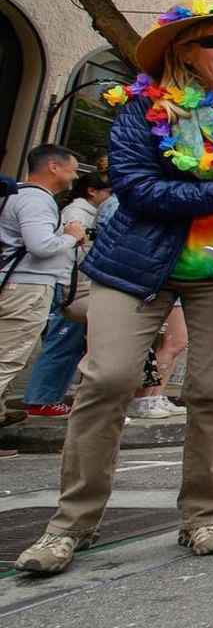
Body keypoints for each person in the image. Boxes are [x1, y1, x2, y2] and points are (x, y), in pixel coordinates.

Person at [14, 0, 213, 574]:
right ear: (182, 54)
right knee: (105, 380)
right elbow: (136, 190)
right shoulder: (141, 112)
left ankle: (205, 516)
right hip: (136, 265)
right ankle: (71, 526)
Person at [0, 145, 87, 426]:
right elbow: (41, 245)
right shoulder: (37, 200)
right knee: (9, 357)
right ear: (54, 166)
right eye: (72, 168)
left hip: (15, 282)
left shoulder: (18, 194)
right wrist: (72, 237)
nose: (75, 176)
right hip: (28, 287)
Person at [22, 169, 112, 417]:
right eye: (108, 191)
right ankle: (42, 398)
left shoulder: (86, 212)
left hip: (77, 284)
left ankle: (47, 396)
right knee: (62, 342)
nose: (112, 196)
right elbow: (69, 250)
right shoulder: (76, 213)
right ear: (92, 191)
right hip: (71, 285)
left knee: (69, 345)